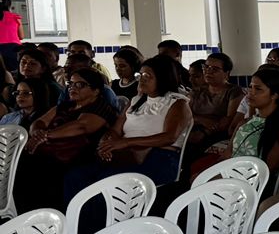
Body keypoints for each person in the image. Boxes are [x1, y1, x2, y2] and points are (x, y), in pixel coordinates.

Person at [68, 56, 190, 193]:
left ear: (162, 78)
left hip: (159, 157)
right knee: (76, 176)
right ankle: (79, 214)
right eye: (140, 75)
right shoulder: (136, 101)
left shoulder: (177, 103)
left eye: (147, 76)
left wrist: (126, 142)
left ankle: (107, 215)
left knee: (106, 181)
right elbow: (115, 130)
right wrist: (106, 143)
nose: (141, 79)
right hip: (129, 154)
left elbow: (169, 137)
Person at [15, 67, 119, 212]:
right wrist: (38, 133)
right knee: (18, 163)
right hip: (51, 151)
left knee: (34, 168)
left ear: (95, 90)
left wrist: (44, 136)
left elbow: (81, 127)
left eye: (80, 85)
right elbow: (39, 122)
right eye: (70, 84)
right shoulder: (66, 105)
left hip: (80, 155)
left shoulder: (101, 107)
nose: (72, 88)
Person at [193, 67, 279, 181]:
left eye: (258, 89)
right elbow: (227, 156)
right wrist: (205, 173)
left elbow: (267, 167)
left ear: (274, 95)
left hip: (250, 184)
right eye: (250, 87)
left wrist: (220, 178)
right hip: (228, 177)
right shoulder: (245, 123)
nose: (251, 93)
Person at [187, 53, 243, 155]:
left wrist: (204, 133)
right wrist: (202, 120)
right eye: (206, 67)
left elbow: (228, 120)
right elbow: (186, 116)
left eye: (215, 69)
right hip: (192, 132)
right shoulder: (196, 92)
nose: (208, 71)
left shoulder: (234, 92)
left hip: (216, 135)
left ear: (226, 73)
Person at [0, 0, 23, 72]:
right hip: (14, 48)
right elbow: (21, 36)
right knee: (15, 72)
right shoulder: (15, 17)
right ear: (9, 6)